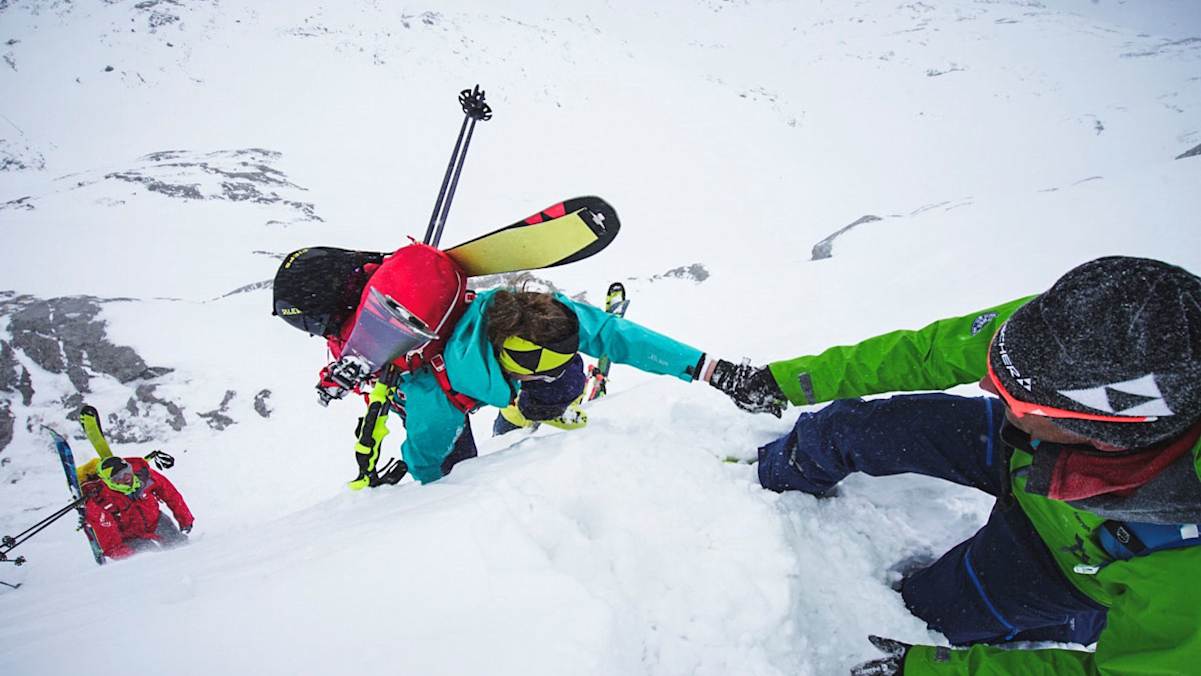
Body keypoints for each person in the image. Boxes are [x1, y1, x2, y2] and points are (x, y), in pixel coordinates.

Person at [708, 256, 1201, 675]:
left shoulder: (1187, 575)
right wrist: (786, 381)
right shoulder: (1079, 333)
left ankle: (1078, 618)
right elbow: (929, 351)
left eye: (1014, 393)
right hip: (1022, 452)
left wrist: (927, 669)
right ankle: (761, 480)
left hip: (1068, 559)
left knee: (927, 608)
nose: (987, 386)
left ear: (1101, 428)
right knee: (847, 429)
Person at [274, 242, 729, 489]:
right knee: (462, 467)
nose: (556, 366)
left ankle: (516, 419)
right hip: (414, 383)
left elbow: (613, 335)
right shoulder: (432, 398)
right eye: (540, 367)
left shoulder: (537, 311)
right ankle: (520, 419)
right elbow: (427, 461)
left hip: (426, 364)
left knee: (484, 441)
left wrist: (712, 369)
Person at [82, 456, 194, 561]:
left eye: (127, 471)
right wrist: (128, 556)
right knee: (150, 554)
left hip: (156, 522)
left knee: (179, 545)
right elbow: (112, 545)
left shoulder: (145, 477)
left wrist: (185, 519)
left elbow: (171, 495)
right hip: (130, 536)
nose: (126, 478)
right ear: (108, 481)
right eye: (118, 477)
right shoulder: (100, 501)